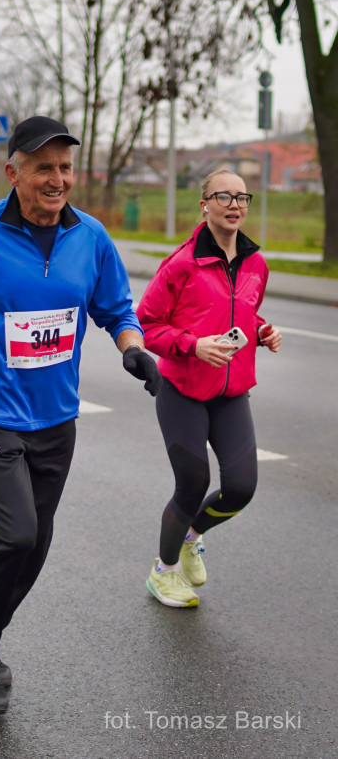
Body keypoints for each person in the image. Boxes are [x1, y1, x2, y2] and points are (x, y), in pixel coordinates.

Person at [0, 115, 163, 714]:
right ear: (12, 172)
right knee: (15, 532)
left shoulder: (90, 237)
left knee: (34, 545)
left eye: (65, 168)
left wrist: (133, 349)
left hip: (56, 418)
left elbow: (116, 308)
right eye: (44, 167)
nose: (57, 179)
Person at [137, 169, 282, 608]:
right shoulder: (181, 264)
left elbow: (243, 314)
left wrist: (260, 332)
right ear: (205, 204)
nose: (235, 204)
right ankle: (163, 573)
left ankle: (191, 536)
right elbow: (147, 325)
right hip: (181, 388)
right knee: (193, 481)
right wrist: (192, 346)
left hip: (232, 391)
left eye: (242, 197)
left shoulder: (256, 263)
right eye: (224, 196)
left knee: (241, 487)